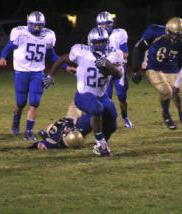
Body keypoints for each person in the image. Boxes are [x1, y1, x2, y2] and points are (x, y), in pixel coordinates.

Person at [43, 27, 124, 156]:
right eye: (97, 42)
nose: (100, 45)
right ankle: (100, 142)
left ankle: (101, 144)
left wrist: (107, 64)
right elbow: (63, 58)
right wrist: (50, 76)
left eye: (103, 42)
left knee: (112, 122)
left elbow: (118, 74)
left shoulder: (114, 54)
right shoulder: (81, 52)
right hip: (83, 94)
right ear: (90, 42)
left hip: (101, 95)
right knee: (97, 109)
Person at [131, 17, 182, 146]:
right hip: (154, 68)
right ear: (167, 31)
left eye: (178, 35)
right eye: (173, 34)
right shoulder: (154, 32)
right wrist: (136, 69)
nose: (175, 37)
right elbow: (138, 48)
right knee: (166, 92)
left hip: (173, 71)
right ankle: (166, 114)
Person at [0, 11, 64, 141]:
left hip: (37, 72)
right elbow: (8, 47)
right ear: (29, 24)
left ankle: (28, 131)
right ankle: (16, 120)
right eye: (34, 26)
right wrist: (2, 57)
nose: (37, 28)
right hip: (21, 71)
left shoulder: (48, 36)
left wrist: (67, 67)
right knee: (21, 102)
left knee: (34, 102)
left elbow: (53, 56)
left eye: (39, 26)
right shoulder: (21, 34)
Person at [96, 11, 132, 128]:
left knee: (122, 96)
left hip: (118, 68)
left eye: (106, 24)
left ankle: (125, 116)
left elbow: (126, 54)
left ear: (111, 23)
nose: (104, 27)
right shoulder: (96, 36)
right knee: (107, 96)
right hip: (106, 70)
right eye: (101, 24)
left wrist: (114, 56)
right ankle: (108, 120)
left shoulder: (119, 34)